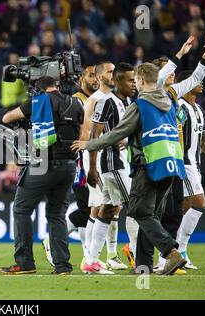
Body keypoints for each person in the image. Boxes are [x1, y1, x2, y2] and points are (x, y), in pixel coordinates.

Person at [72, 63, 187, 275]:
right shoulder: (170, 102)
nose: (134, 84)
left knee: (138, 211)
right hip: (171, 164)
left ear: (142, 81)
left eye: (136, 80)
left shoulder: (140, 105)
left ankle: (171, 252)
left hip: (148, 165)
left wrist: (89, 145)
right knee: (149, 214)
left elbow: (116, 133)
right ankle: (143, 267)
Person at [0, 76, 84, 275]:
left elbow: (6, 118)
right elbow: (81, 131)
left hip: (44, 164)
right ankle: (62, 265)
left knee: (21, 209)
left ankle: (25, 262)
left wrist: (28, 113)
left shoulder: (37, 101)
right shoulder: (75, 102)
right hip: (69, 165)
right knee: (57, 215)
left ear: (37, 89)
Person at [151, 34, 205, 273]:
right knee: (160, 211)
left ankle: (171, 255)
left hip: (175, 161)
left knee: (173, 211)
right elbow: (158, 79)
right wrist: (179, 55)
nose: (171, 75)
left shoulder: (174, 95)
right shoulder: (155, 94)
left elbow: (197, 77)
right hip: (160, 158)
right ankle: (160, 257)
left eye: (173, 73)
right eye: (169, 72)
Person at [81, 63, 138, 274]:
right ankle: (137, 254)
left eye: (135, 80)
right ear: (117, 82)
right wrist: (92, 168)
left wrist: (129, 140)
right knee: (137, 205)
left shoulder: (130, 102)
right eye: (130, 80)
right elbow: (94, 137)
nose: (134, 84)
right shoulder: (105, 102)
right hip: (112, 164)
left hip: (124, 162)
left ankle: (91, 261)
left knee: (108, 210)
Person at [42, 63, 98, 270]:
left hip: (96, 158)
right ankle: (55, 240)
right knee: (90, 208)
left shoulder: (99, 99)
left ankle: (93, 255)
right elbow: (80, 135)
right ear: (80, 78)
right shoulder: (75, 101)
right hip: (82, 161)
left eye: (97, 76)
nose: (96, 79)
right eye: (91, 75)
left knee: (97, 208)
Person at [175, 70, 205, 269]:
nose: (201, 83)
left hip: (195, 164)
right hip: (183, 163)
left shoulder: (198, 109)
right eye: (197, 80)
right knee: (200, 203)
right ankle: (181, 249)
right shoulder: (179, 107)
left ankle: (171, 251)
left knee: (182, 209)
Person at [80, 61, 119, 271]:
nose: (114, 75)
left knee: (111, 207)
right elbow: (87, 134)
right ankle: (89, 258)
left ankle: (96, 257)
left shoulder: (115, 99)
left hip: (113, 159)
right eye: (110, 72)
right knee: (99, 207)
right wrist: (89, 166)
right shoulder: (94, 100)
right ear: (98, 76)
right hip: (97, 159)